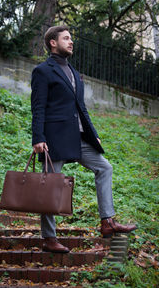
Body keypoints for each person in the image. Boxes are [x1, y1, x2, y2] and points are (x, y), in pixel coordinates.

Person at [31, 25, 136, 253]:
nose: (71, 42)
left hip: (79, 137)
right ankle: (49, 238)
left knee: (104, 167)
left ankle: (107, 221)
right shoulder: (43, 71)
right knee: (51, 185)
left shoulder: (74, 73)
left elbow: (82, 108)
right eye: (66, 38)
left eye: (71, 38)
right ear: (52, 42)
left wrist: (93, 133)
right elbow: (38, 107)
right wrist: (38, 137)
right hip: (55, 137)